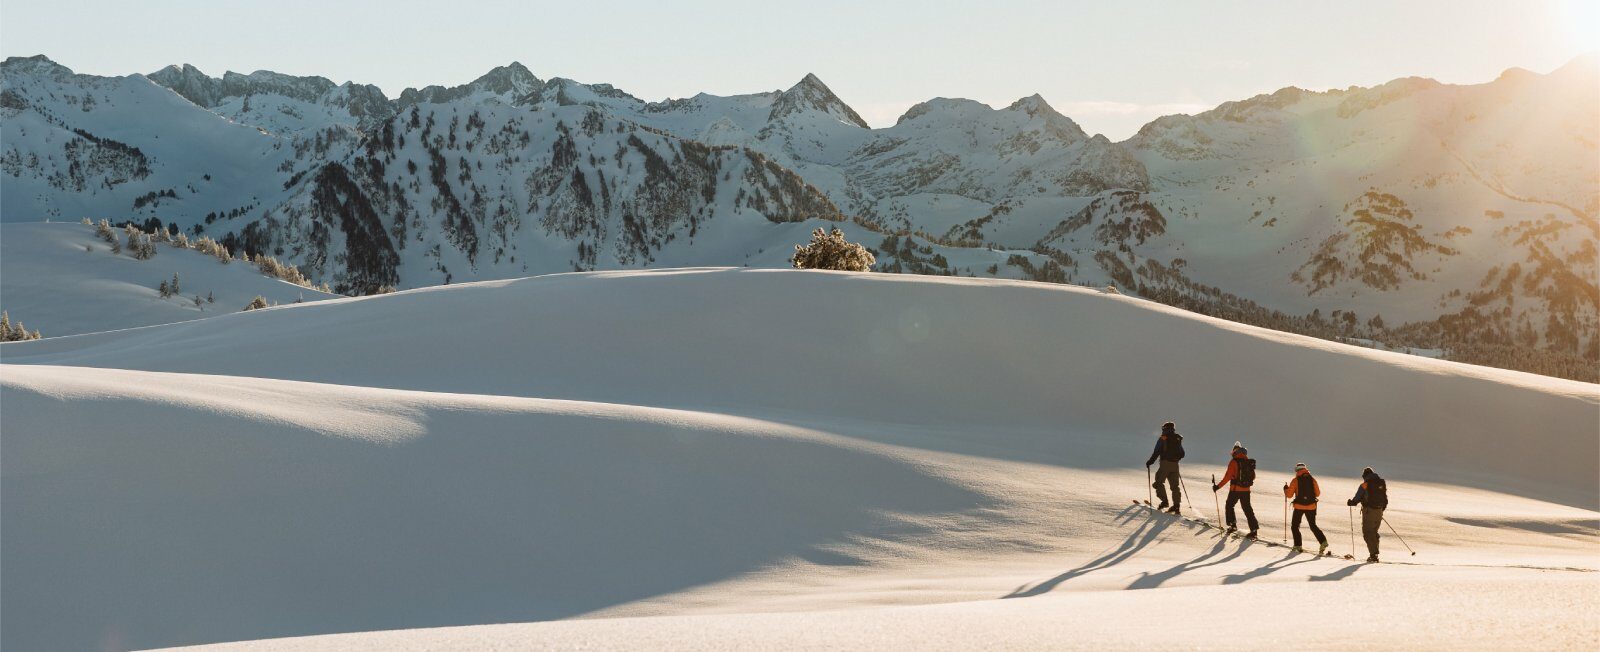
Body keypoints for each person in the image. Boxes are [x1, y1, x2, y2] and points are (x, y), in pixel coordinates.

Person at [1211, 442, 1258, 538]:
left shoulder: (1234, 462)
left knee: (1229, 505)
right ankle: (1254, 530)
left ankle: (1233, 525)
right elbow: (1253, 477)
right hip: (1246, 490)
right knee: (1247, 509)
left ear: (1234, 451)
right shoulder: (1247, 461)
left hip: (1235, 490)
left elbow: (1227, 477)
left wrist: (1218, 486)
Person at [1283, 462, 1328, 555]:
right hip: (1311, 506)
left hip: (1299, 506)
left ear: (1297, 470)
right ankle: (1323, 541)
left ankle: (1298, 545)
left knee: (1295, 526)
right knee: (1313, 526)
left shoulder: (1295, 480)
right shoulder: (1312, 479)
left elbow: (1289, 495)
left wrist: (1285, 489)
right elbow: (1318, 493)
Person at [1347, 467, 1388, 562]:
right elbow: (1385, 498)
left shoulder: (1365, 485)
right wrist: (1381, 510)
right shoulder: (1381, 483)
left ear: (1365, 476)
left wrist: (1351, 502)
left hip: (1369, 511)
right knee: (1374, 532)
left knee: (1368, 533)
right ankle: (1375, 553)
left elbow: (1357, 499)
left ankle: (1373, 555)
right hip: (1379, 511)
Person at [1144, 422, 1184, 514]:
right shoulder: (1177, 438)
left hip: (1165, 464)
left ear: (1165, 428)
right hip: (1175, 465)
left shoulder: (1163, 438)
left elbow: (1156, 451)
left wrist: (1150, 461)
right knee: (1175, 486)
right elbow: (1182, 453)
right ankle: (1176, 506)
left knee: (1158, 482)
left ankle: (1164, 502)